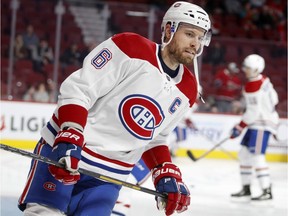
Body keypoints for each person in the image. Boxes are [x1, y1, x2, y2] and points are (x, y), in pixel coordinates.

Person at [18, 2, 212, 215]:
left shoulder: (188, 89)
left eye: (201, 37)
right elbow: (79, 89)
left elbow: (155, 137)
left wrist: (163, 171)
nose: (196, 43)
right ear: (169, 29)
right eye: (190, 34)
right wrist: (70, 133)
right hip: (68, 153)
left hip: (109, 177)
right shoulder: (129, 47)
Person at [230, 54, 279, 201]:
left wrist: (240, 126)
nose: (245, 70)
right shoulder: (264, 81)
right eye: (245, 66)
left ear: (257, 69)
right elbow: (274, 99)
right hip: (257, 123)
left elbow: (253, 111)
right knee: (244, 155)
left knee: (257, 157)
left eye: (249, 68)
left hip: (261, 124)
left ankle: (266, 190)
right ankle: (246, 188)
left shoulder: (253, 85)